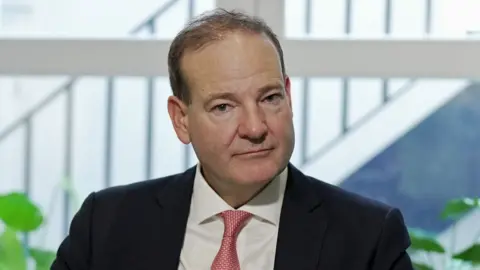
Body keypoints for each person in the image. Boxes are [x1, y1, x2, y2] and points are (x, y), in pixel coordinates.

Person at [51, 8, 414, 270]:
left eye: (270, 98)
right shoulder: (108, 224)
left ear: (289, 95)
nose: (255, 128)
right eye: (224, 107)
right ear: (181, 119)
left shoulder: (369, 238)